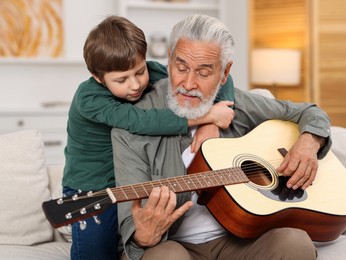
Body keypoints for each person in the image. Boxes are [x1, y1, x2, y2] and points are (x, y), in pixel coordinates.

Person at [112, 14, 332, 260]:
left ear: (224, 73)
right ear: (169, 60)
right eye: (180, 67)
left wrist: (309, 143)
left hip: (239, 238)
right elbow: (130, 221)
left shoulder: (235, 104)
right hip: (174, 245)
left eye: (203, 73)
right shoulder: (131, 125)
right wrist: (143, 235)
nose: (188, 83)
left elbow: (310, 112)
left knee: (295, 243)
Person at [62, 16, 235, 260]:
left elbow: (219, 78)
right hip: (92, 186)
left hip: (130, 178)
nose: (135, 85)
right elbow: (141, 121)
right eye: (122, 80)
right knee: (96, 251)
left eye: (139, 71)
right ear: (98, 77)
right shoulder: (89, 99)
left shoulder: (152, 71)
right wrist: (206, 116)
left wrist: (212, 124)